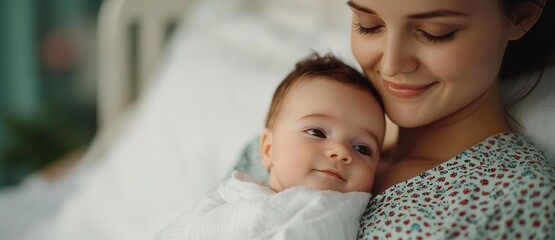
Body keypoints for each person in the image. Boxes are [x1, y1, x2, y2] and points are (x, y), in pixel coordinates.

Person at [345, 0, 555, 238]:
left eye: (435, 33)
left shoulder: (520, 199)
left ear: (521, 15)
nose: (391, 65)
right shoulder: (315, 128)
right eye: (368, 25)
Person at [153, 53, 386, 239]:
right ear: (266, 149)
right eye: (317, 132)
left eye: (363, 149)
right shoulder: (233, 194)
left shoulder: (344, 209)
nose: (342, 152)